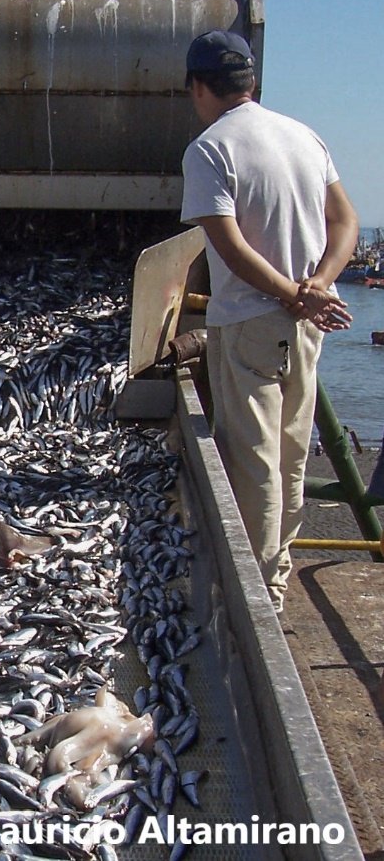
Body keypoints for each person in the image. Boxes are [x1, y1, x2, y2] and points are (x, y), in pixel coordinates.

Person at [180, 30, 358, 612]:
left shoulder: (210, 149)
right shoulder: (304, 136)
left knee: (253, 461)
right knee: (293, 453)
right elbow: (346, 221)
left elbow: (229, 249)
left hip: (252, 324)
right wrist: (318, 285)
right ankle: (277, 576)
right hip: (305, 329)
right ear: (251, 81)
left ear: (198, 86)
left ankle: (253, 596)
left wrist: (296, 295)